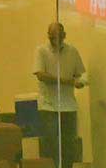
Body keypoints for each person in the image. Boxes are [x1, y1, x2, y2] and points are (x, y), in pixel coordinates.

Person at [34, 22, 85, 168]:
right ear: (48, 35)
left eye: (59, 35)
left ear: (64, 35)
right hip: (48, 107)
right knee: (50, 148)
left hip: (69, 106)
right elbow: (41, 75)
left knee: (69, 148)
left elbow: (78, 74)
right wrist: (68, 81)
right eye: (52, 35)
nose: (55, 38)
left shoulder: (72, 51)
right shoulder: (41, 51)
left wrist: (79, 82)